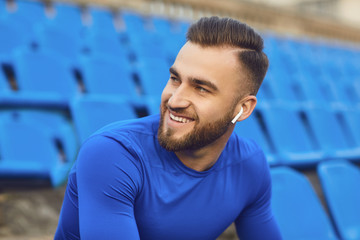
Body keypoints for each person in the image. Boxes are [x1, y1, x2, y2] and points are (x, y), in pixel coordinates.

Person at [55, 16, 282, 240]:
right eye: (175, 79)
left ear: (243, 108)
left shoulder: (249, 165)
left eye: (201, 88)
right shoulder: (112, 154)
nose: (175, 101)